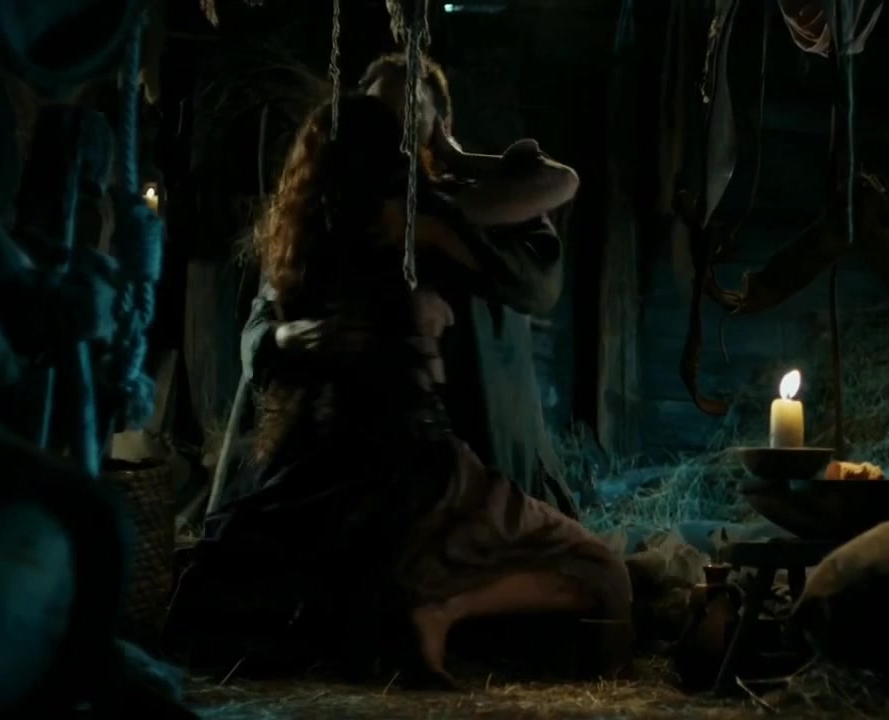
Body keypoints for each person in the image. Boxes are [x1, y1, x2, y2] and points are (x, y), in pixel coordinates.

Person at [173, 95, 630, 685]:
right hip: (406, 467)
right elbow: (262, 333)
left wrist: (454, 167)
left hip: (351, 466)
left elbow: (543, 232)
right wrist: (311, 334)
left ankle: (426, 610)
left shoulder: (333, 230)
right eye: (400, 119)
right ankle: (438, 611)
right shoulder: (397, 223)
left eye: (420, 113)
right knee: (602, 575)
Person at [234, 51, 575, 514]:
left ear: (439, 125)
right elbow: (257, 334)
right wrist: (295, 336)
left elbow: (537, 284)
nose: (393, 128)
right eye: (381, 112)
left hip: (482, 468)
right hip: (357, 475)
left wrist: (441, 216)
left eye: (411, 111)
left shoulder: (487, 205)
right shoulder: (323, 215)